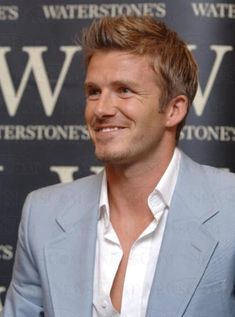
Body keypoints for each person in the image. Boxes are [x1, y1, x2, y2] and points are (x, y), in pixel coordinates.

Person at [1, 15, 235, 317]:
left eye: (124, 90)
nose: (101, 109)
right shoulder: (42, 215)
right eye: (94, 91)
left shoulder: (229, 207)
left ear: (174, 110)